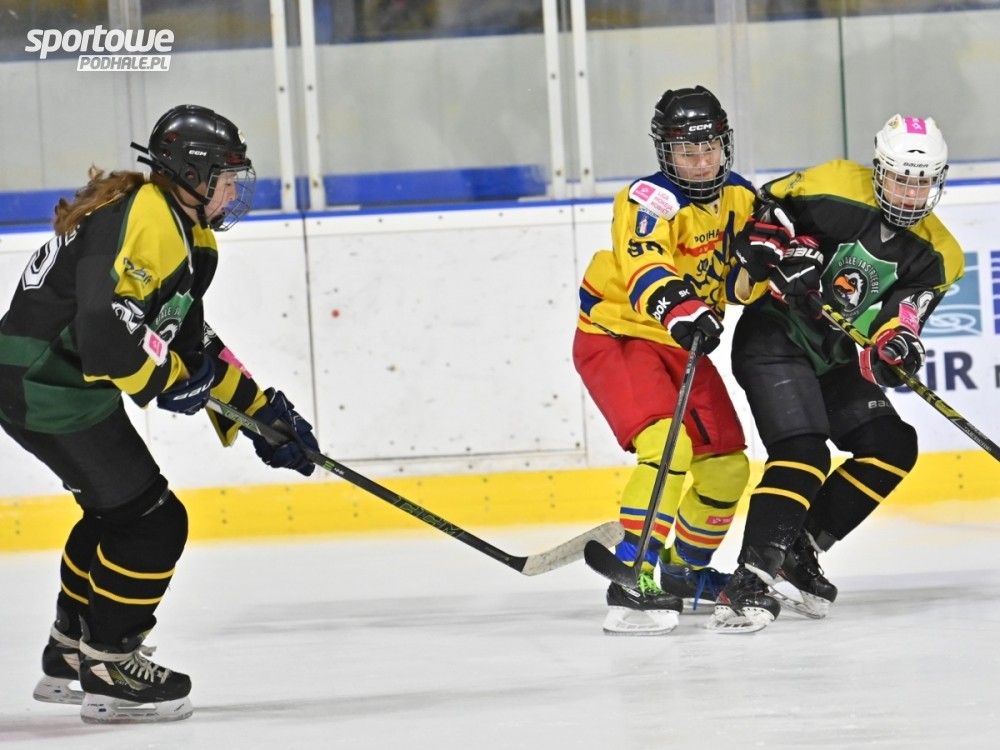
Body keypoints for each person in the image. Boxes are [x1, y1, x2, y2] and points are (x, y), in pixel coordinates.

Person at [0, 104, 320, 722]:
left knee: (118, 513)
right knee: (153, 523)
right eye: (226, 178)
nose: (234, 192)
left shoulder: (188, 233)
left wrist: (260, 416)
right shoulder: (147, 221)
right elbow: (106, 333)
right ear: (191, 174)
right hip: (44, 383)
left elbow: (190, 345)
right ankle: (109, 666)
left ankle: (70, 653)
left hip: (51, 380)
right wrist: (167, 382)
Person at [710, 114, 964, 632]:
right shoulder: (833, 184)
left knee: (892, 446)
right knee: (803, 452)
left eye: (921, 184)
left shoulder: (940, 255)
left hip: (836, 355)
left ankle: (799, 550)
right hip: (775, 338)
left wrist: (898, 350)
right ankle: (749, 579)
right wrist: (781, 251)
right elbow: (768, 209)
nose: (909, 195)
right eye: (900, 180)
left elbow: (897, 323)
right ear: (878, 170)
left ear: (938, 182)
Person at [573, 85, 758, 635]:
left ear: (725, 145)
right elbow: (645, 264)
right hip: (619, 336)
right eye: (686, 151)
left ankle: (682, 572)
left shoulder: (741, 197)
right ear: (665, 153)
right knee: (668, 447)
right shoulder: (648, 199)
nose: (700, 163)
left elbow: (745, 279)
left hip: (684, 344)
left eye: (709, 149)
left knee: (727, 468)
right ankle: (633, 572)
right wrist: (681, 307)